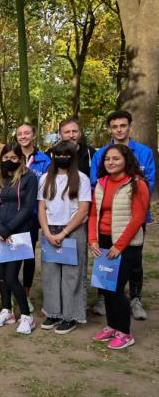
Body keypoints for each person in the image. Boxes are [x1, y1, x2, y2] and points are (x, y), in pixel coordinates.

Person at [89, 110, 154, 320]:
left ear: (129, 127)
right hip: (106, 218)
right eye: (114, 126)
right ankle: (103, 297)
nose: (119, 130)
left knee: (133, 260)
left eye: (122, 126)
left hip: (133, 216)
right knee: (104, 258)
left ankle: (135, 298)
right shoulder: (101, 154)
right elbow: (95, 182)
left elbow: (148, 183)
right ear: (110, 129)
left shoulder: (144, 152)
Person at [88, 144, 149, 349]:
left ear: (126, 160)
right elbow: (94, 212)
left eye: (116, 158)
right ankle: (112, 326)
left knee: (116, 289)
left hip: (126, 244)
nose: (111, 162)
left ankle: (125, 332)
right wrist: (93, 240)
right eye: (107, 159)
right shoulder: (101, 183)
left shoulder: (137, 184)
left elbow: (138, 218)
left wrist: (119, 246)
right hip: (104, 241)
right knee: (105, 287)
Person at [37, 140, 91, 335]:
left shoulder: (82, 179)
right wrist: (48, 232)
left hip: (72, 230)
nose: (62, 158)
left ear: (73, 157)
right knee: (50, 274)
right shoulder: (44, 179)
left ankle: (70, 315)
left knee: (71, 275)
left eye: (66, 155)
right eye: (58, 155)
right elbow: (41, 207)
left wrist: (64, 233)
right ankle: (53, 312)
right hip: (50, 229)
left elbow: (83, 209)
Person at [0, 143, 38, 334]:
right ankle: (6, 311)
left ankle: (27, 316)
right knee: (2, 277)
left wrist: (9, 229)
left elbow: (27, 208)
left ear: (21, 159)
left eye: (13, 158)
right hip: (0, 233)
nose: (9, 161)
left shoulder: (29, 178)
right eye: (6, 158)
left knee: (11, 276)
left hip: (19, 233)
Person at [15, 123, 51, 311]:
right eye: (20, 133)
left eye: (27, 132)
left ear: (34, 135)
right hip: (13, 215)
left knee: (28, 256)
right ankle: (12, 292)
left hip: (32, 216)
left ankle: (26, 294)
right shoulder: (12, 155)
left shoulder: (44, 159)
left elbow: (48, 188)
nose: (23, 136)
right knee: (13, 256)